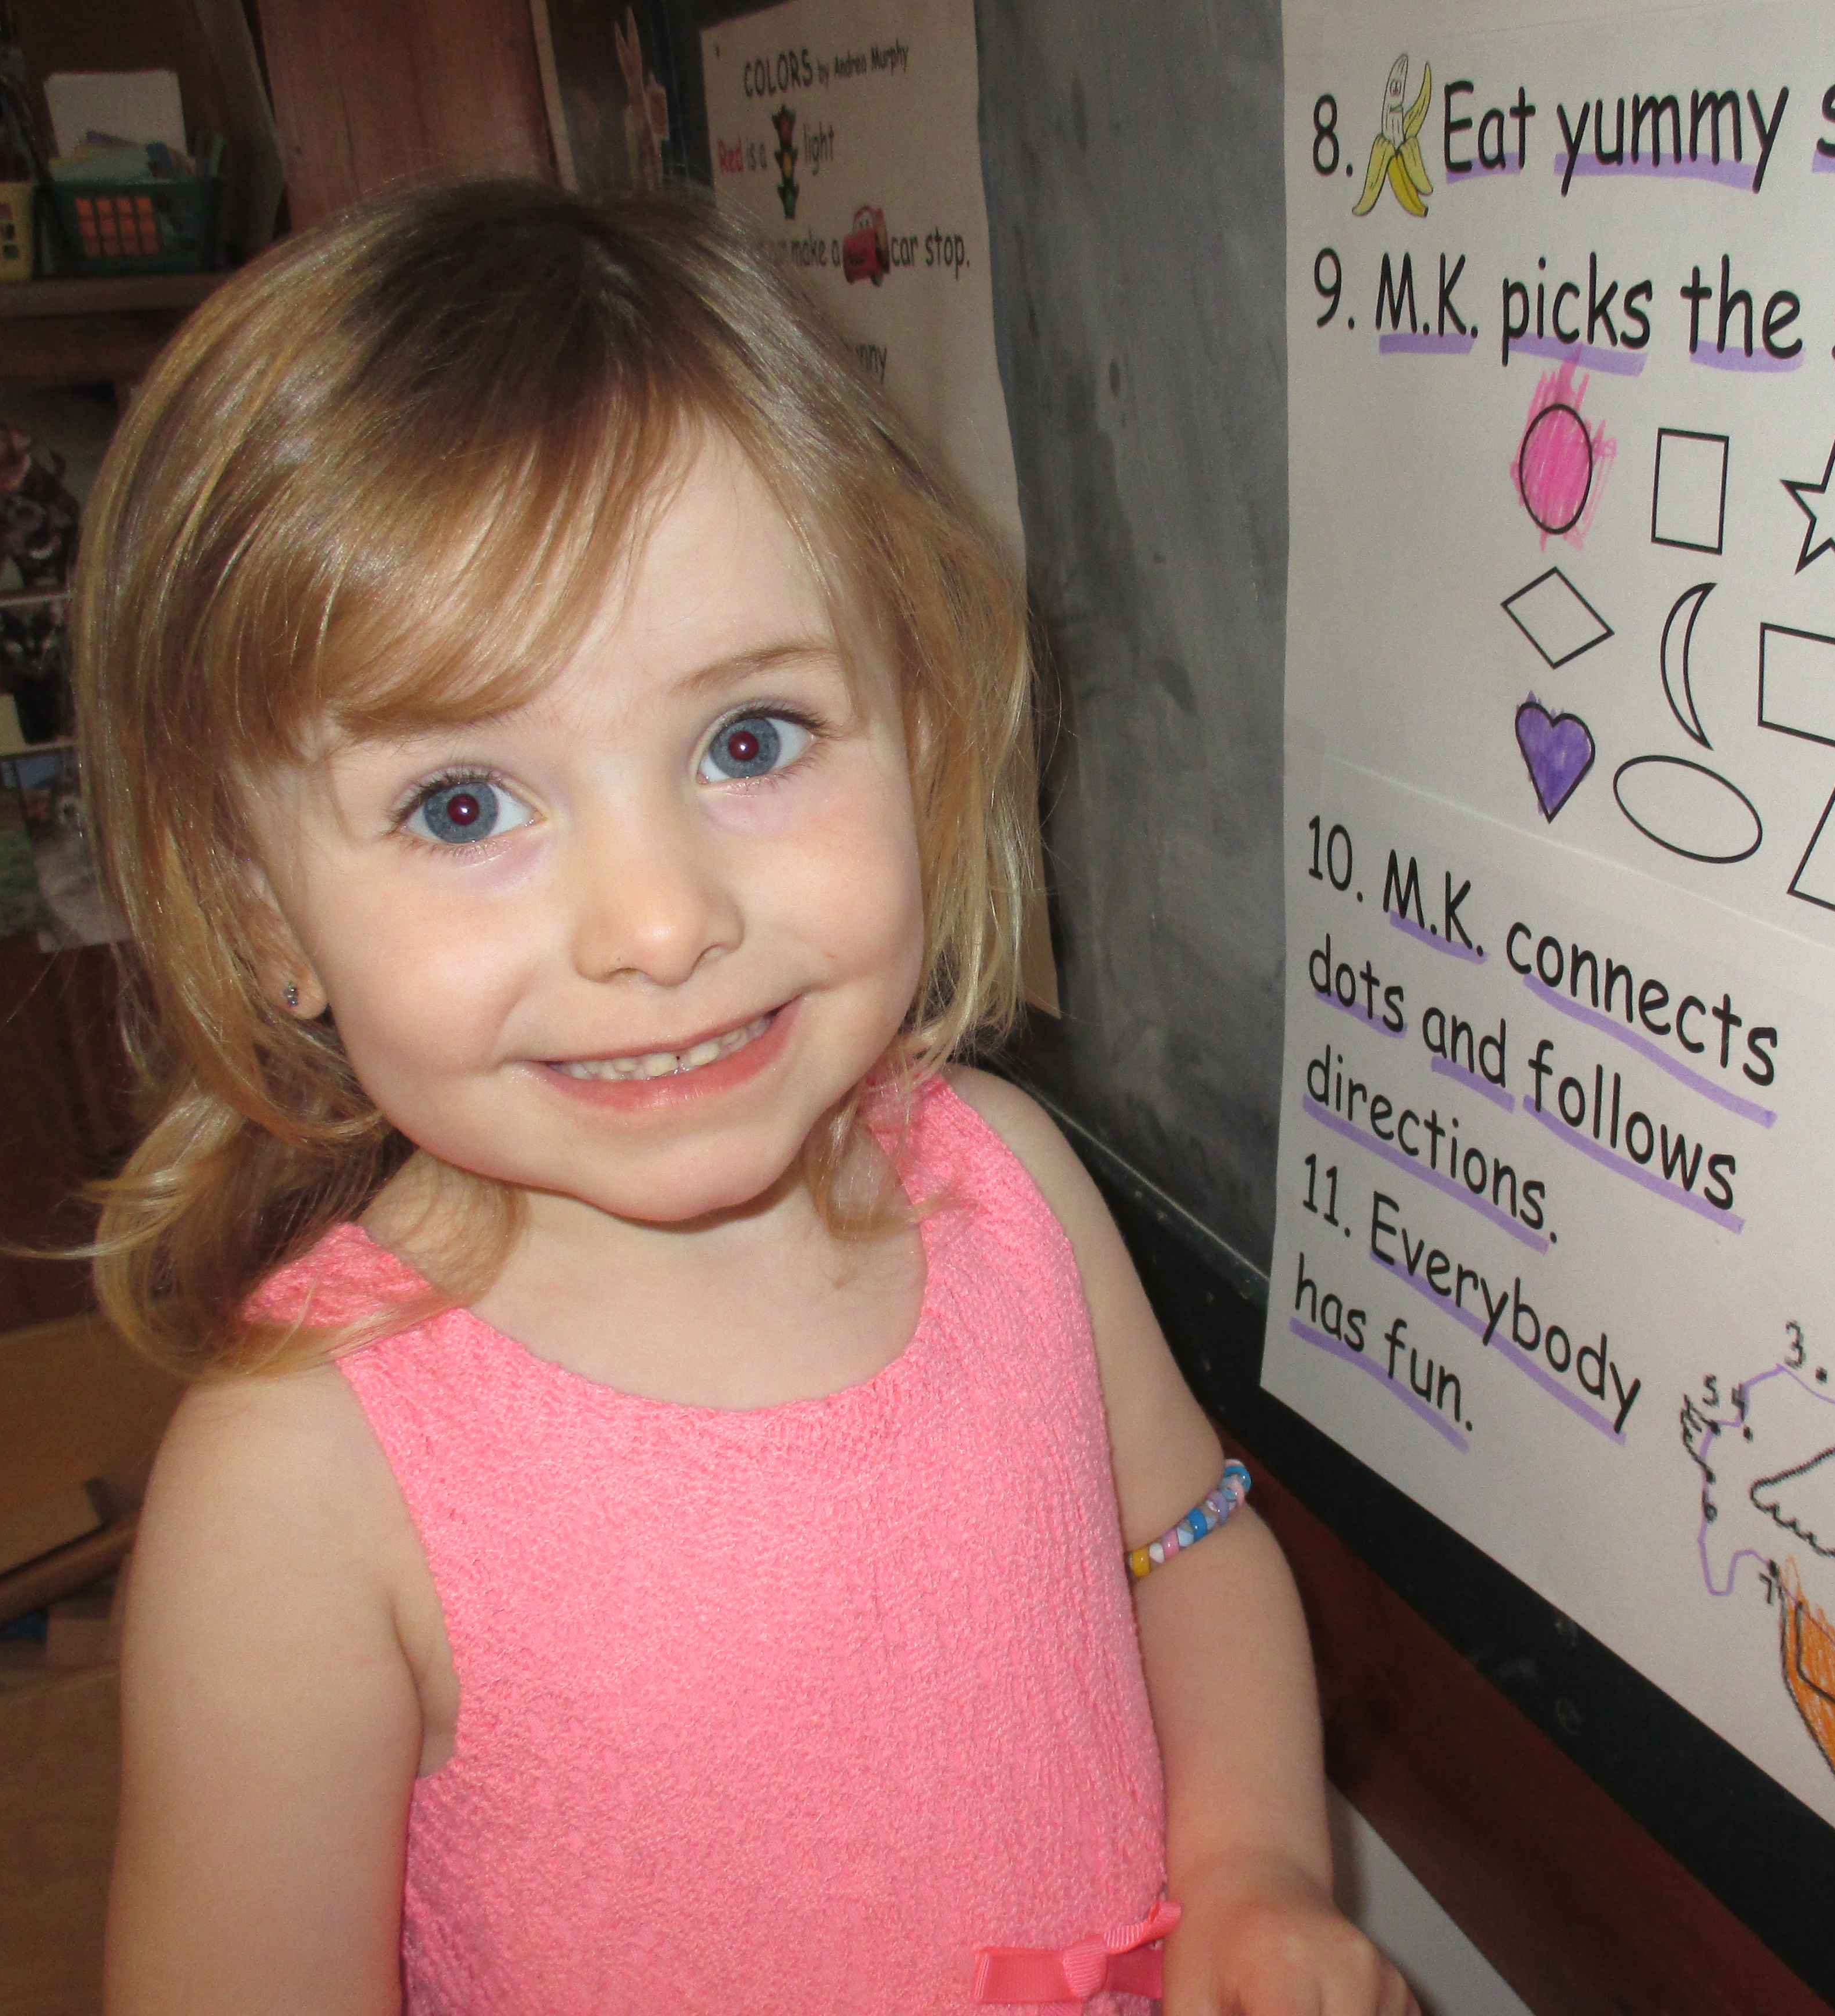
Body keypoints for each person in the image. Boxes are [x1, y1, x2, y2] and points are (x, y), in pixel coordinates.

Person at [81, 179, 1414, 2016]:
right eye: (463, 805)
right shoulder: (300, 1486)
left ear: (919, 739)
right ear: (259, 914)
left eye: (748, 740)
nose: (658, 924)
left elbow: (1190, 1550)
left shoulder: (1009, 1190)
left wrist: (1254, 1874)